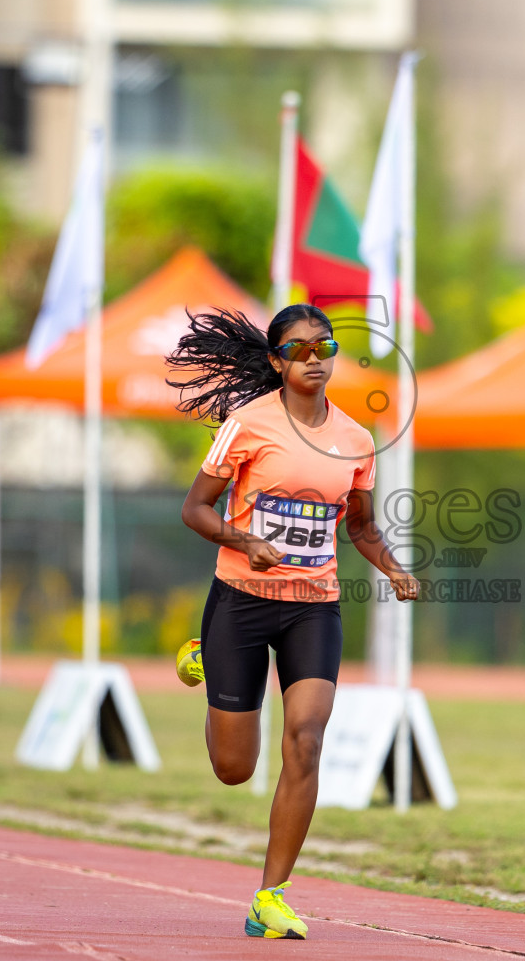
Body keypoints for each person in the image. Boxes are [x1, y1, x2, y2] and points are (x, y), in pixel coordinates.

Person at [165, 304, 418, 940]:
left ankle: (269, 896)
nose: (313, 358)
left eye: (323, 346)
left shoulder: (358, 440)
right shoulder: (248, 424)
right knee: (234, 768)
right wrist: (243, 541)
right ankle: (209, 653)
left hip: (314, 604)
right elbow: (195, 510)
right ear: (277, 361)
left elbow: (358, 525)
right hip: (242, 600)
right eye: (297, 349)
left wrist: (392, 567)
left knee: (305, 738)